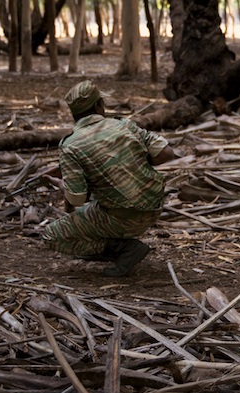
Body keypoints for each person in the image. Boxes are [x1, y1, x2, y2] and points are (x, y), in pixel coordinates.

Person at [42, 80, 176, 277]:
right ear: (99, 106)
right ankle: (119, 247)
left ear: (74, 114)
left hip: (120, 218)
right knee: (101, 201)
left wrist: (62, 184)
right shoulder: (125, 125)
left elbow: (76, 200)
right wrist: (133, 162)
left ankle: (123, 249)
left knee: (50, 236)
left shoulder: (71, 145)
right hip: (154, 209)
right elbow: (167, 153)